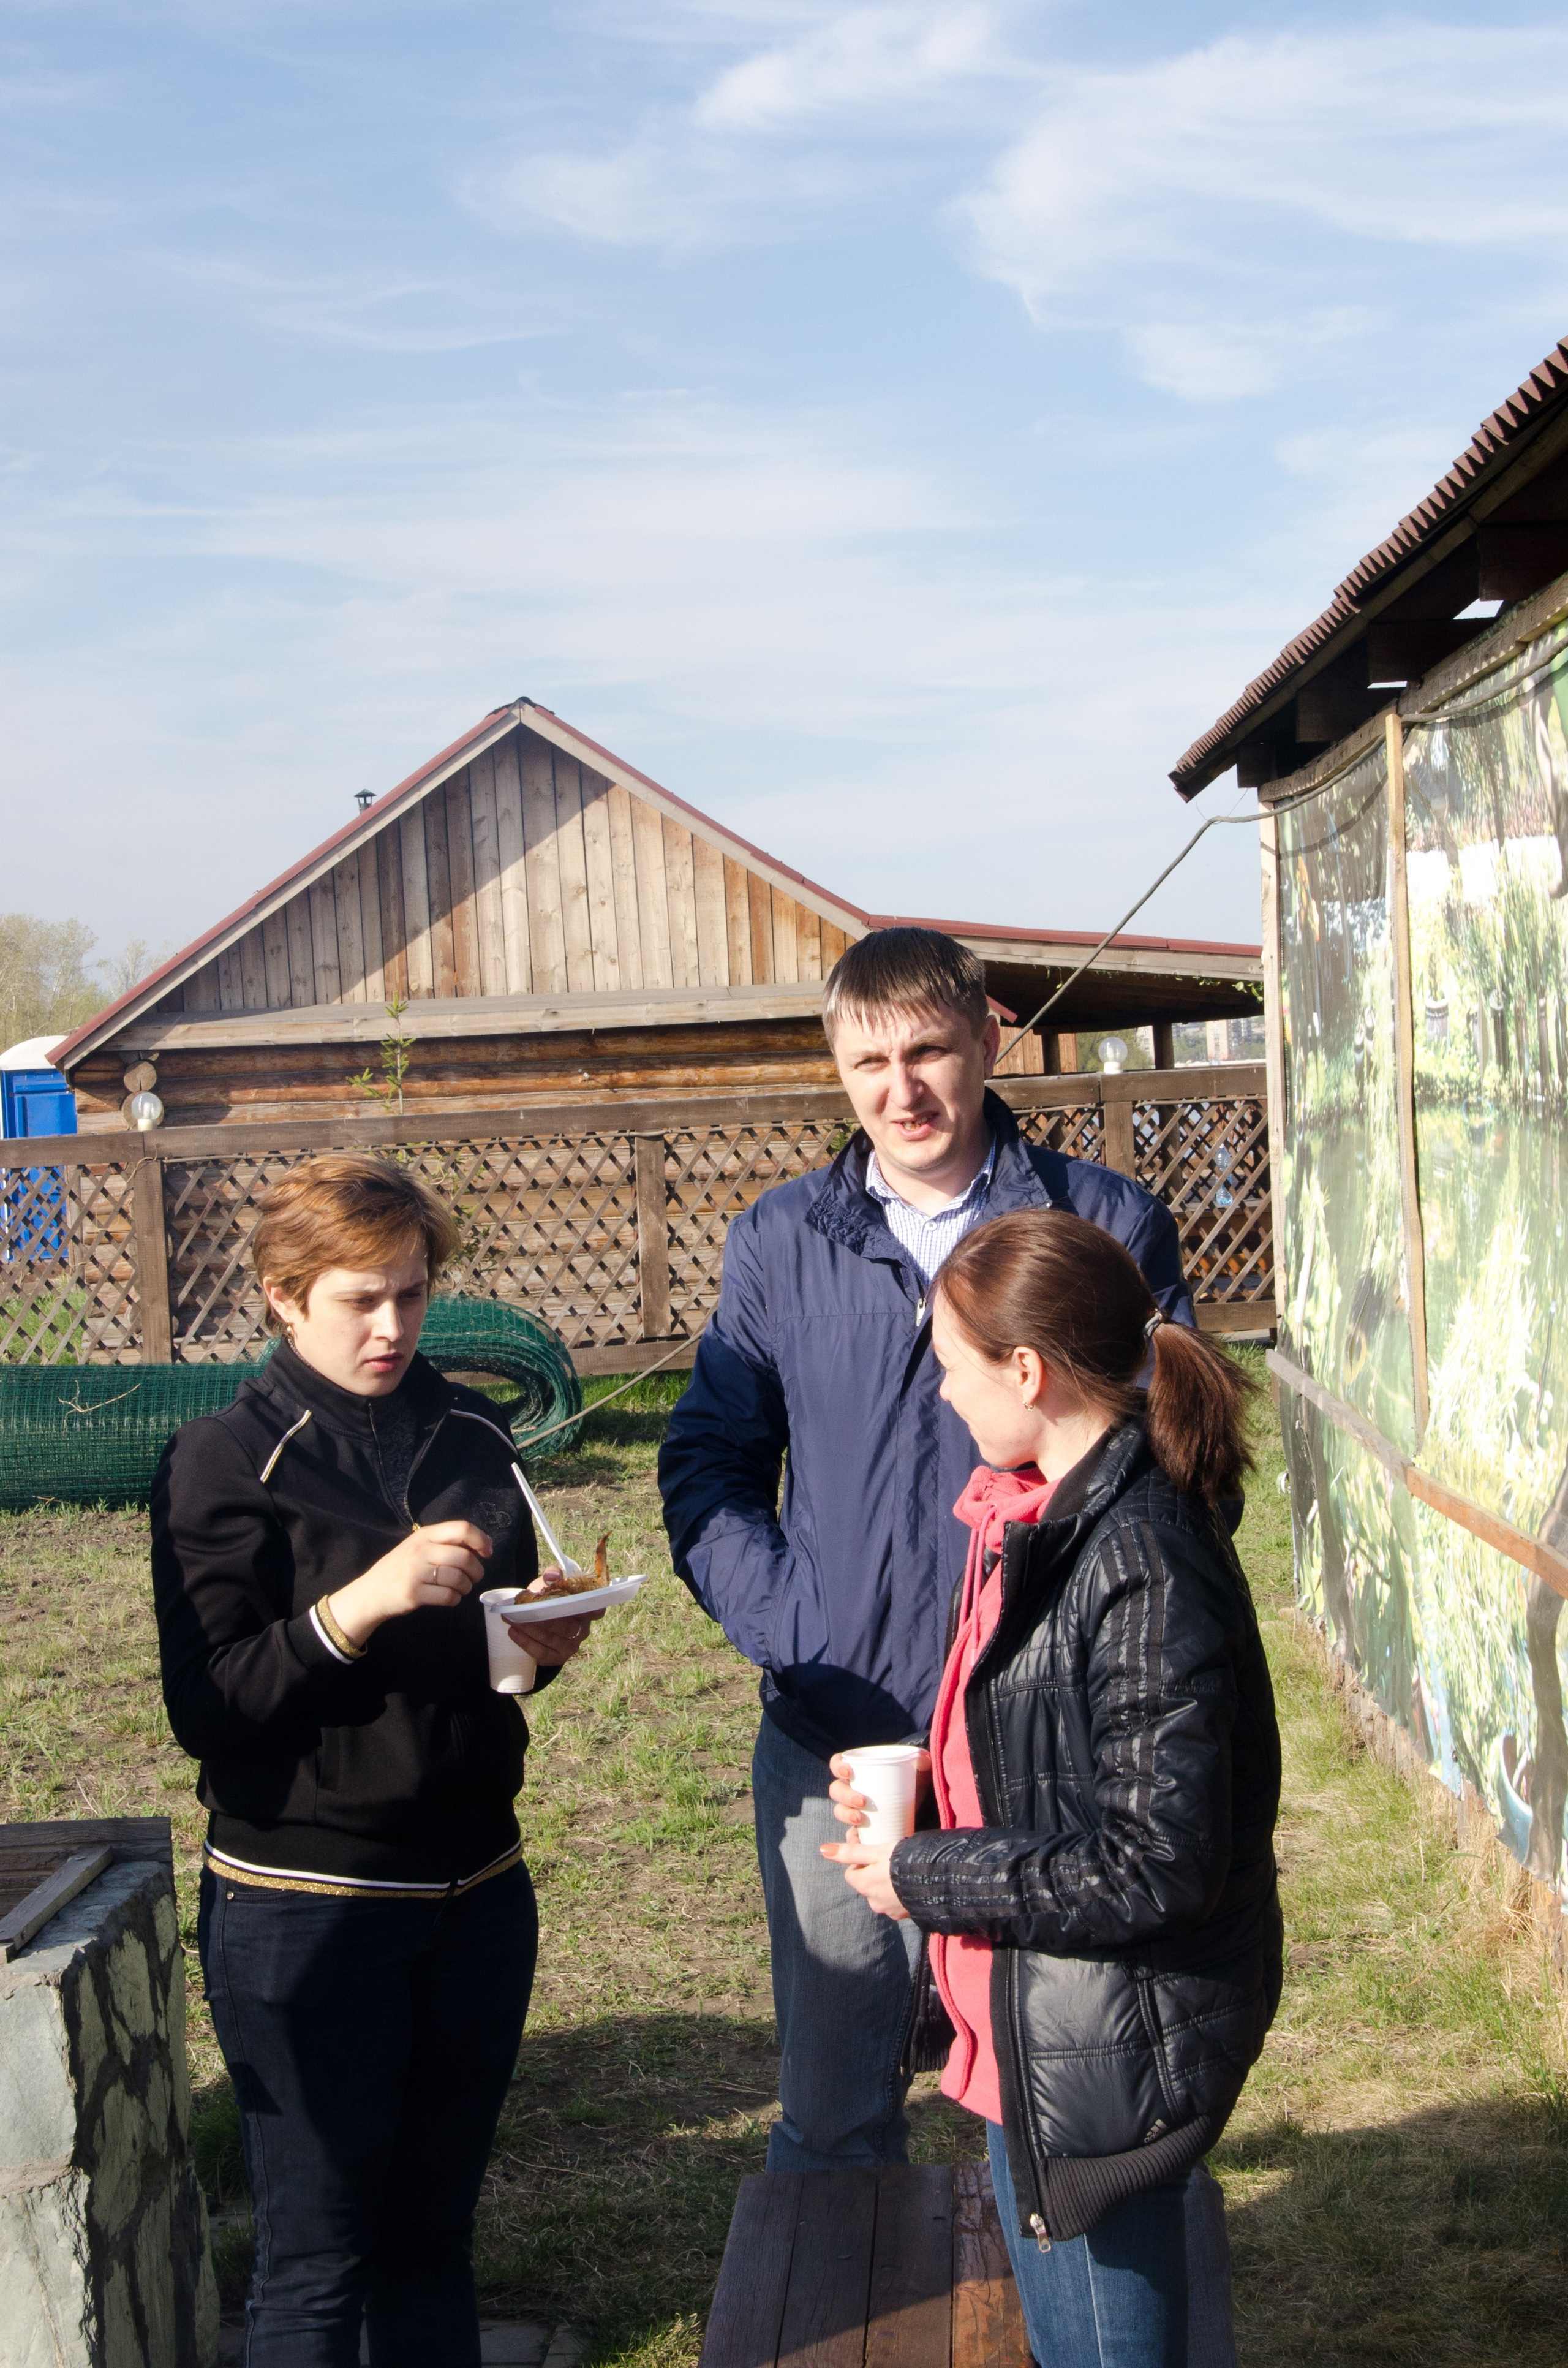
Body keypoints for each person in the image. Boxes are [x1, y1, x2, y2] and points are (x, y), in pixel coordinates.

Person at [658, 926, 1238, 2362]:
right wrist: (796, 1626)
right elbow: (709, 1465)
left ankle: (1099, 2326)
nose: (900, 1088)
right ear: (835, 1068)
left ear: (987, 1037)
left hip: (1043, 1750)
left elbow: (1159, 1460)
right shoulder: (782, 1240)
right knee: (838, 2095)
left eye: (925, 1050)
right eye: (867, 1060)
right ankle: (847, 2328)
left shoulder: (1094, 1217)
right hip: (840, 1743)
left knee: (1076, 2080)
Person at [153, 1155, 600, 2368]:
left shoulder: (471, 1431)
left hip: (477, 1890)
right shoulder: (222, 1459)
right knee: (316, 2256)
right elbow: (211, 1704)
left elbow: (484, 1668)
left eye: (411, 1292)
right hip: (306, 1906)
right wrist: (363, 1601)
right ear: (282, 1294)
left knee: (431, 2239)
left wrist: (536, 1646)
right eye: (361, 1298)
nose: (394, 1325)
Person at [822, 1208, 1283, 2368]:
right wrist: (938, 1787)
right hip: (1041, 2019)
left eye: (950, 1370)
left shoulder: (1137, 1551)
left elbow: (1154, 1857)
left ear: (1025, 1369)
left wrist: (922, 1870)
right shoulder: (1053, 1515)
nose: (941, 1396)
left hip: (1104, 2046)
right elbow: (1073, 1750)